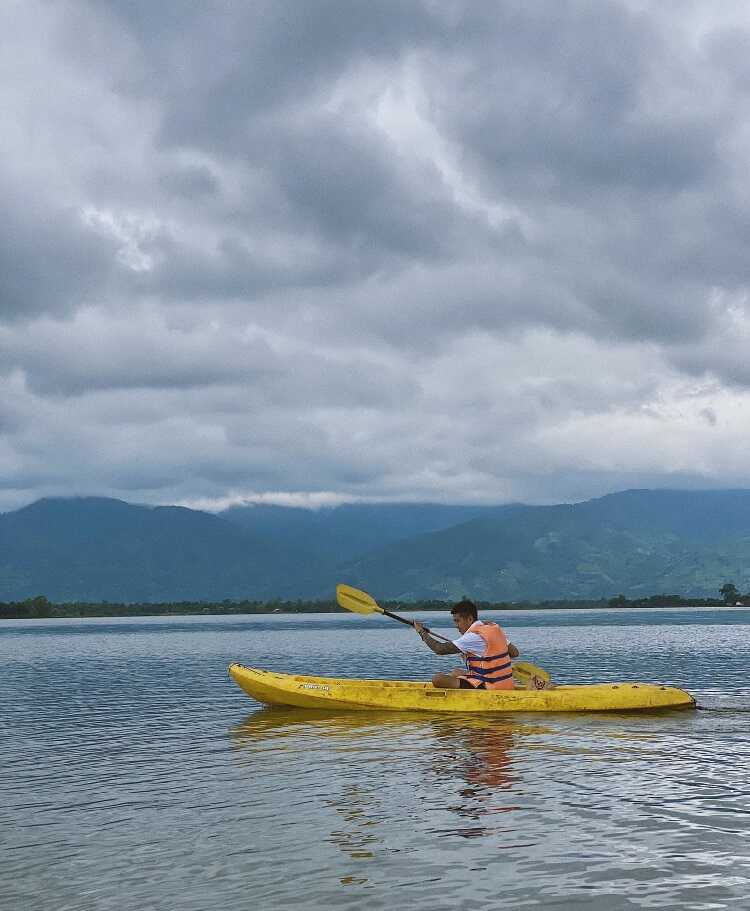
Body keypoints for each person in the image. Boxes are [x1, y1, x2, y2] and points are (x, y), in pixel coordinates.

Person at [414, 598, 519, 690]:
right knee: (456, 672)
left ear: (469, 619)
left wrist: (422, 632)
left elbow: (439, 649)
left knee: (437, 679)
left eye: (457, 621)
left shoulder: (472, 637)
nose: (456, 625)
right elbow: (514, 653)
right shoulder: (492, 629)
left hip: (490, 685)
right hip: (506, 683)